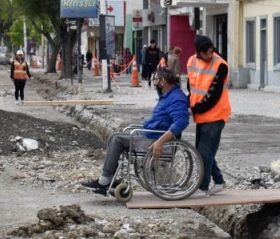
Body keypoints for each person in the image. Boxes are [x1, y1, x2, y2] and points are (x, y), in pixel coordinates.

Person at [80, 67, 189, 195]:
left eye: (156, 79)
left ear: (163, 81)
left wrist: (160, 142)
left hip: (155, 140)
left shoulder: (176, 98)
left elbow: (181, 122)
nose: (154, 82)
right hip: (150, 135)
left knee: (117, 140)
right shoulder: (167, 96)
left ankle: (104, 181)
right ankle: (109, 178)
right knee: (114, 135)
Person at [187, 35, 231, 196]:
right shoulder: (192, 61)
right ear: (198, 52)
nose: (209, 56)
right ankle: (219, 181)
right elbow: (191, 87)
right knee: (202, 151)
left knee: (205, 152)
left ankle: (202, 187)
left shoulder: (221, 65)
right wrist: (188, 102)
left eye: (211, 52)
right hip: (202, 115)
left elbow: (214, 95)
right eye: (205, 53)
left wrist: (195, 108)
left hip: (216, 114)